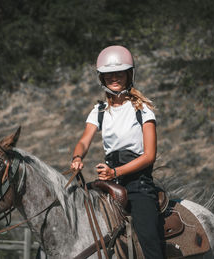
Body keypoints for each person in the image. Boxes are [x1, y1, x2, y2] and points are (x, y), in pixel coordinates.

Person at [70, 45, 164, 259]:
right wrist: (77, 157)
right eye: (108, 74)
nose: (114, 78)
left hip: (138, 184)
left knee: (148, 238)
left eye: (119, 73)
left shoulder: (143, 110)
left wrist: (116, 172)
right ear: (101, 78)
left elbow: (149, 156)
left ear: (129, 74)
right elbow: (84, 141)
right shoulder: (99, 111)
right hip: (110, 182)